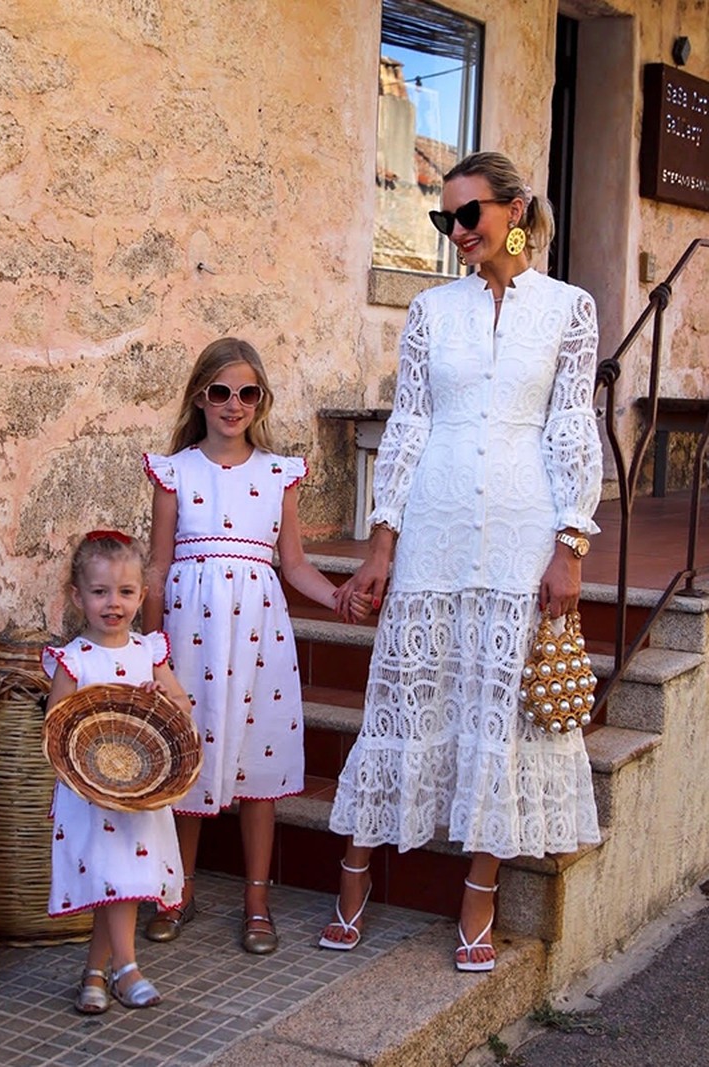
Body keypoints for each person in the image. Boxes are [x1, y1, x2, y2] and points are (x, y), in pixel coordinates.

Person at [319, 151, 603, 972]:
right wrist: (382, 542)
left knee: (498, 710)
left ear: (513, 211)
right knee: (403, 702)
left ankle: (479, 892)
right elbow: (408, 425)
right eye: (445, 219)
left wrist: (571, 544)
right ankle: (354, 871)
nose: (456, 232)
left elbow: (571, 428)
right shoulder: (431, 311)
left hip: (522, 527)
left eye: (467, 214)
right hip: (435, 524)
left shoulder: (569, 309)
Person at [142, 337, 369, 955]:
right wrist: (153, 652)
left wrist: (337, 598)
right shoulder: (175, 472)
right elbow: (158, 568)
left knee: (258, 765)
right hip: (189, 637)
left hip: (257, 638)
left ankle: (257, 901)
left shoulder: (277, 474)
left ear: (260, 400)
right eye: (220, 391)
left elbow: (293, 565)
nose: (233, 404)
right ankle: (178, 892)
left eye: (247, 393)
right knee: (186, 760)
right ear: (200, 397)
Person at [43, 530, 192, 1013]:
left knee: (121, 879)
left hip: (140, 789)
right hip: (89, 793)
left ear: (142, 595)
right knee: (112, 879)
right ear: (77, 597)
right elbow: (57, 724)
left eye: (126, 592)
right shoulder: (73, 659)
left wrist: (161, 696)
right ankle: (127, 970)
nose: (114, 603)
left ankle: (97, 972)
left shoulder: (148, 651)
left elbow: (182, 706)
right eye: (100, 592)